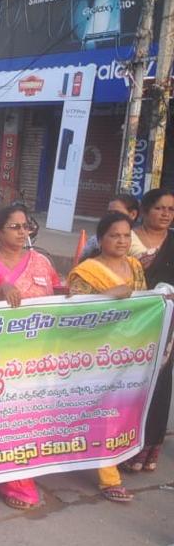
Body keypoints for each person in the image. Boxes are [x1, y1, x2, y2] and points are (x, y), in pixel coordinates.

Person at [0, 205, 60, 510]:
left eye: (26, 226)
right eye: (14, 226)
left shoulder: (40, 261)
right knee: (11, 417)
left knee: (36, 416)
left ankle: (26, 467)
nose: (23, 232)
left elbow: (61, 291)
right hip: (6, 357)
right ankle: (13, 478)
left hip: (43, 355)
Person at [66, 212, 144, 501]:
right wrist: (111, 295)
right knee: (101, 411)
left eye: (126, 235)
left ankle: (104, 457)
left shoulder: (135, 266)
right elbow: (76, 315)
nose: (122, 241)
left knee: (120, 410)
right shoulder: (86, 271)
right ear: (101, 239)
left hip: (132, 353)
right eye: (115, 235)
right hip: (95, 354)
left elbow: (143, 305)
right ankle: (108, 477)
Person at [124, 188, 174, 472]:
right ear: (144, 210)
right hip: (130, 324)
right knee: (129, 382)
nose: (166, 214)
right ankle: (123, 443)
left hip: (165, 324)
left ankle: (150, 444)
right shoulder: (125, 237)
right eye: (160, 208)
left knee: (160, 380)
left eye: (170, 210)